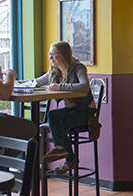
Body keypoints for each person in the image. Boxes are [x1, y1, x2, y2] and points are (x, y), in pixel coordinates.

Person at [36, 41, 95, 175]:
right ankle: (64, 153)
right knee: (53, 116)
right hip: (71, 110)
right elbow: (38, 82)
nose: (50, 58)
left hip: (85, 112)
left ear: (63, 55)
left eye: (53, 55)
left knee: (60, 124)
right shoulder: (54, 71)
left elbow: (84, 86)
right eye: (49, 54)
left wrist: (60, 87)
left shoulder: (78, 68)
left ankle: (69, 159)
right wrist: (20, 84)